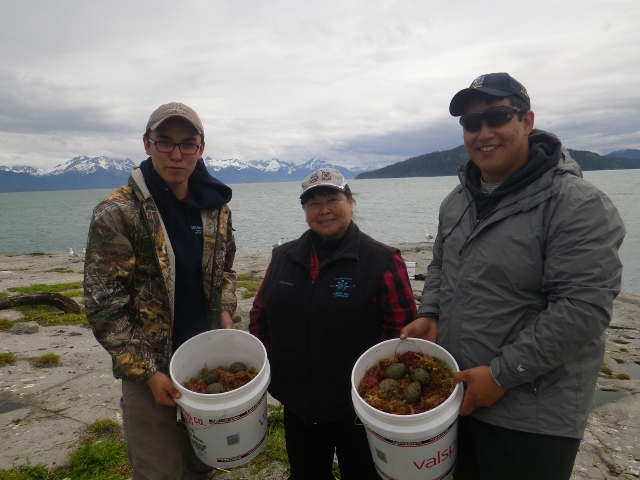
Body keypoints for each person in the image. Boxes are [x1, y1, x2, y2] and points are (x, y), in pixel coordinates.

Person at [400, 72, 626, 480]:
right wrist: (431, 310)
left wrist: (502, 375)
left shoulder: (577, 205)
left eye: (498, 117)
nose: (483, 132)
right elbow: (440, 264)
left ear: (526, 121)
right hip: (461, 392)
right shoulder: (457, 201)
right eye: (471, 123)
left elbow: (582, 310)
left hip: (534, 413)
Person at [83, 102, 237, 480]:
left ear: (201, 148)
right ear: (147, 145)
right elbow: (105, 307)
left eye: (188, 144)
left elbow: (225, 271)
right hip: (149, 368)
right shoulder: (117, 212)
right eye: (165, 143)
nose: (176, 155)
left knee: (203, 462)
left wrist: (225, 313)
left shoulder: (215, 206)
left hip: (204, 361)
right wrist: (149, 373)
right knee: (158, 470)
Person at [249, 168, 417, 480]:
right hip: (299, 405)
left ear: (351, 202)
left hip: (361, 409)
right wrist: (273, 372)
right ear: (305, 211)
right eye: (313, 204)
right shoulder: (284, 256)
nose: (324, 210)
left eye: (332, 199)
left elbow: (401, 336)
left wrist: (378, 396)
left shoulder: (381, 260)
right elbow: (260, 316)